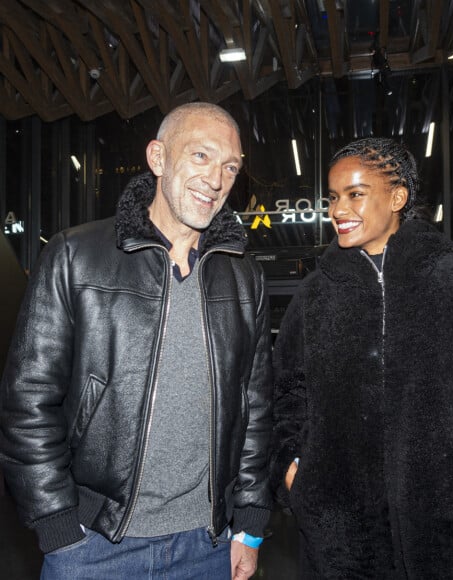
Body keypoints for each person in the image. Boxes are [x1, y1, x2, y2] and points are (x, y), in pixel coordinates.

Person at [0, 102, 273, 580]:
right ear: (158, 157)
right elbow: (27, 402)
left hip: (207, 546)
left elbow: (255, 410)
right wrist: (57, 523)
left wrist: (248, 527)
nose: (217, 179)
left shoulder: (244, 278)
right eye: (201, 156)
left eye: (230, 166)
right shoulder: (75, 255)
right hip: (93, 545)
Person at [270, 137, 453, 579]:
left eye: (355, 194)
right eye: (333, 197)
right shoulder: (315, 296)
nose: (339, 210)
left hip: (445, 539)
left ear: (398, 197)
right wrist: (295, 472)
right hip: (339, 543)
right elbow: (287, 393)